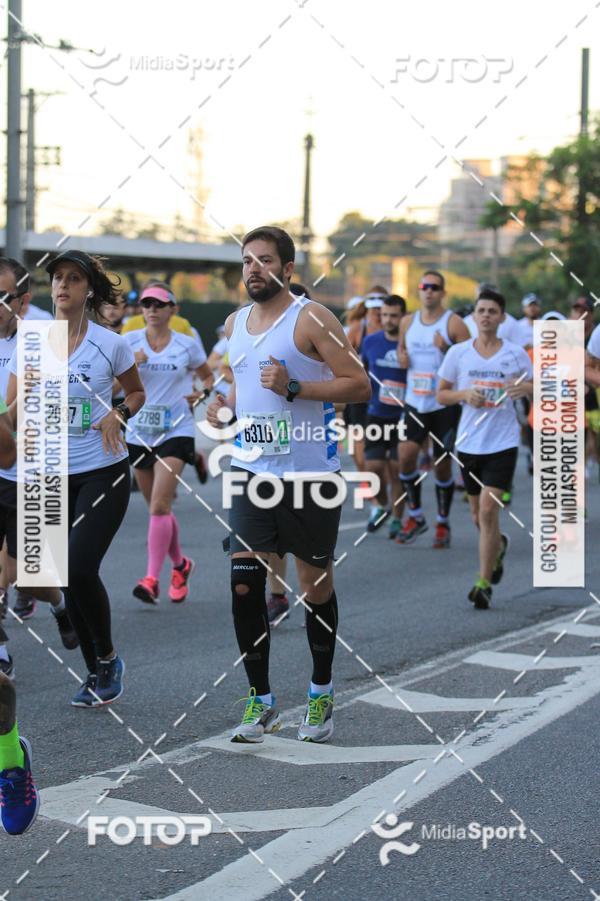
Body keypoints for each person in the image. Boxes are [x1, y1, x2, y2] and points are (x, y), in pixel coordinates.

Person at [206, 225, 370, 744]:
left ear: (288, 270)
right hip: (252, 469)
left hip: (310, 476)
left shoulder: (313, 317)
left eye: (265, 260)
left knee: (312, 587)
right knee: (243, 584)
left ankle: (320, 694)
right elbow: (238, 379)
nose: (254, 268)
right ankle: (262, 702)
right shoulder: (234, 323)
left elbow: (358, 382)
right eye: (247, 260)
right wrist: (223, 402)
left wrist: (296, 386)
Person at [8, 250, 145, 707]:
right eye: (57, 278)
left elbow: (136, 391)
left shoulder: (111, 343)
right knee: (60, 576)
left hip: (103, 469)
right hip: (47, 473)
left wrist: (118, 413)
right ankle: (97, 668)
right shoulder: (31, 341)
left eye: (73, 278)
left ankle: (106, 660)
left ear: (88, 289)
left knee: (79, 565)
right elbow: (9, 411)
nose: (63, 285)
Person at [0, 259, 79, 674]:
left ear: (23, 300)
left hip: (33, 472)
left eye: (2, 296)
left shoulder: (43, 339)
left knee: (30, 577)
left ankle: (62, 605)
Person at [437, 289, 533, 609]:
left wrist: (527, 387)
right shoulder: (459, 353)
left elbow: (541, 387)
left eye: (493, 311)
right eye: (481, 310)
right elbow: (441, 394)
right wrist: (464, 395)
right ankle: (499, 547)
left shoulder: (516, 353)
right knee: (479, 517)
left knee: (490, 511)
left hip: (503, 442)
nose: (487, 316)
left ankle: (483, 583)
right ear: (474, 316)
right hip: (469, 444)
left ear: (502, 317)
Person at [124, 284, 213, 605]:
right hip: (138, 431)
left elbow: (208, 378)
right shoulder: (127, 341)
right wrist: (128, 362)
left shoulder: (187, 345)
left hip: (176, 430)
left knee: (160, 505)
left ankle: (150, 579)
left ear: (172, 309)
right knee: (157, 509)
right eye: (146, 303)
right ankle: (180, 565)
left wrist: (201, 395)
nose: (152, 309)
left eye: (159, 304)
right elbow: (107, 379)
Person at [397, 270, 470, 547]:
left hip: (443, 404)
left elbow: (469, 364)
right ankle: (416, 515)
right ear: (419, 290)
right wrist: (402, 360)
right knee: (405, 457)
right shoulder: (407, 322)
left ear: (443, 293)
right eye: (424, 286)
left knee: (441, 466)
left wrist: (448, 346)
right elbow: (402, 353)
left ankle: (442, 521)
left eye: (435, 287)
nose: (429, 291)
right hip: (414, 402)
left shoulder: (454, 324)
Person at [360, 294, 407, 537]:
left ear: (403, 317)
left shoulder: (410, 343)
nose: (388, 320)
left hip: (403, 417)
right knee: (374, 466)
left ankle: (398, 519)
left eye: (393, 315)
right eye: (385, 315)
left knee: (398, 470)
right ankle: (383, 505)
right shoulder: (370, 342)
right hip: (376, 413)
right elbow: (362, 372)